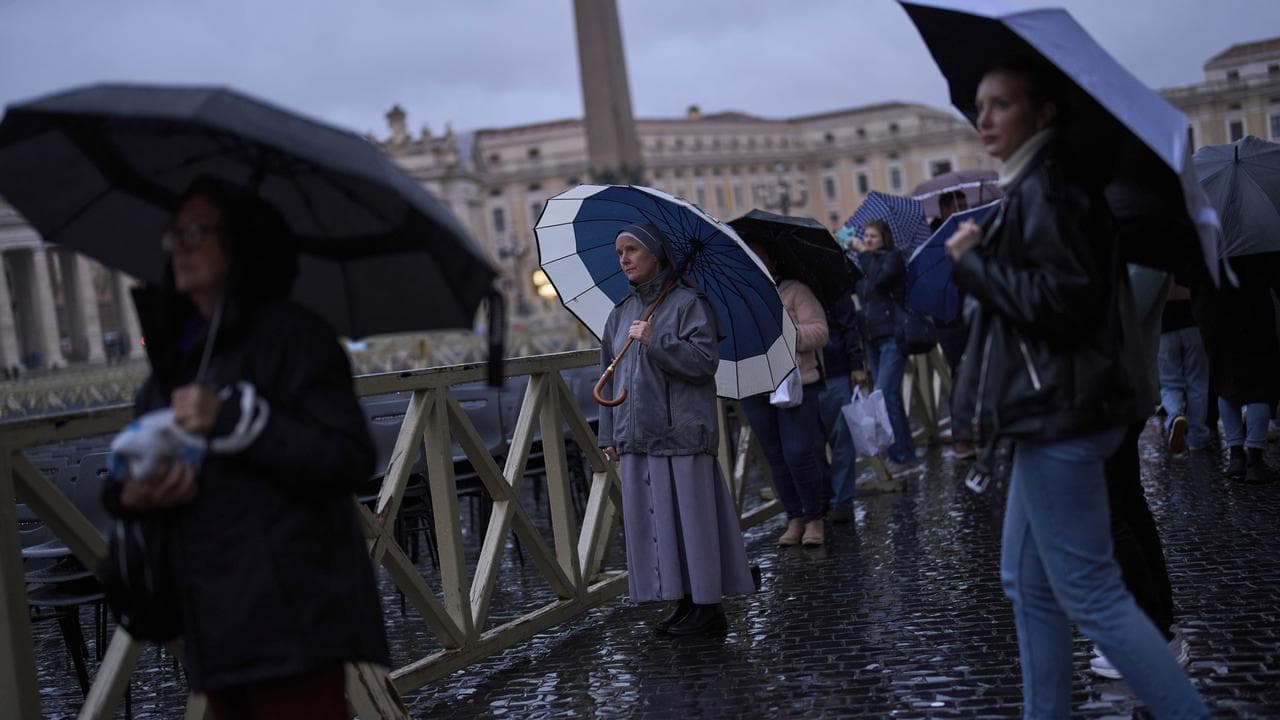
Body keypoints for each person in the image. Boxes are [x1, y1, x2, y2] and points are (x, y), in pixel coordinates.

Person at [945, 58, 1208, 717]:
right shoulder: (1039, 184)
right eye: (980, 106)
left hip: (1060, 415)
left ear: (1045, 113)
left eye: (1000, 104)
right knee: (1027, 584)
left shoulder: (1051, 188)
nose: (984, 119)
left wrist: (975, 264)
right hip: (1055, 413)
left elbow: (1062, 304)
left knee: (1091, 594)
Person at [105, 178, 389, 719]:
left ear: (239, 242)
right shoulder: (175, 359)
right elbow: (126, 471)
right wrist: (132, 495)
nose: (180, 246)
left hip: (293, 618)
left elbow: (348, 456)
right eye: (175, 233)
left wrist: (230, 419)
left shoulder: (295, 338)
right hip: (211, 616)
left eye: (197, 231)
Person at [598, 223, 755, 636]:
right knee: (657, 525)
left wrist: (657, 340)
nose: (624, 259)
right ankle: (682, 600)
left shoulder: (690, 303)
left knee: (693, 523)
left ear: (657, 256)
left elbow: (704, 364)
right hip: (637, 434)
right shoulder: (620, 313)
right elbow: (608, 374)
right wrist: (608, 434)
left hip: (681, 431)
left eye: (632, 250)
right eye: (620, 252)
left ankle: (709, 606)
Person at [739, 238, 830, 547]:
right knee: (775, 457)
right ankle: (794, 517)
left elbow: (820, 331)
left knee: (798, 453)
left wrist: (789, 332)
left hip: (796, 385)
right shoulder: (740, 297)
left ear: (773, 261)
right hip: (755, 386)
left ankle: (814, 517)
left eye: (760, 256)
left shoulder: (795, 291)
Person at [1197, 254, 1278, 483]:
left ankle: (1236, 457)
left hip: (1217, 315)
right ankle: (1255, 458)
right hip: (1256, 315)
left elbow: (1191, 279)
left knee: (1225, 384)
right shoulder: (1257, 237)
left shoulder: (1208, 235)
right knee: (1259, 386)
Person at [855, 219, 917, 466]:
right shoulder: (865, 265)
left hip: (893, 335)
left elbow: (880, 280)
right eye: (866, 236)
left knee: (883, 394)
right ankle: (904, 452)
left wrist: (861, 252)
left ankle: (900, 455)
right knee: (890, 397)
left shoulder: (893, 258)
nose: (868, 240)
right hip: (872, 338)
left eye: (873, 236)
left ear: (884, 239)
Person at [816, 289, 868, 523]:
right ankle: (825, 499)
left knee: (842, 438)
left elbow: (849, 325)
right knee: (812, 443)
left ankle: (841, 501)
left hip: (836, 370)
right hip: (805, 375)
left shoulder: (832, 286)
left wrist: (856, 364)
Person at [1157, 283, 1211, 453]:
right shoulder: (1187, 258)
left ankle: (1175, 416)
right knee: (1198, 383)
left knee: (1169, 383)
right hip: (1192, 323)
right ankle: (1197, 436)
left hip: (1164, 326)